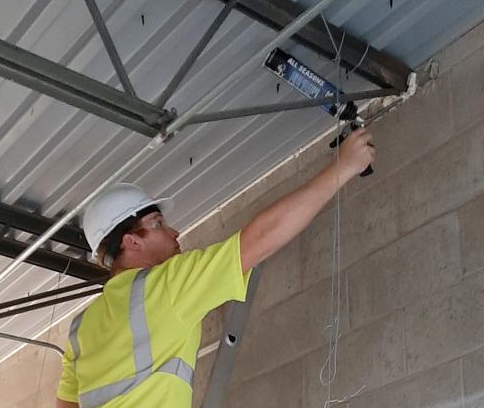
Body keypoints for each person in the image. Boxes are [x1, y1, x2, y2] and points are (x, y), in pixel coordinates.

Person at [56, 128, 375, 408]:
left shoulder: (80, 330)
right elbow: (261, 237)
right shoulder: (164, 285)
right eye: (157, 224)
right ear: (131, 242)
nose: (174, 233)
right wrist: (344, 167)